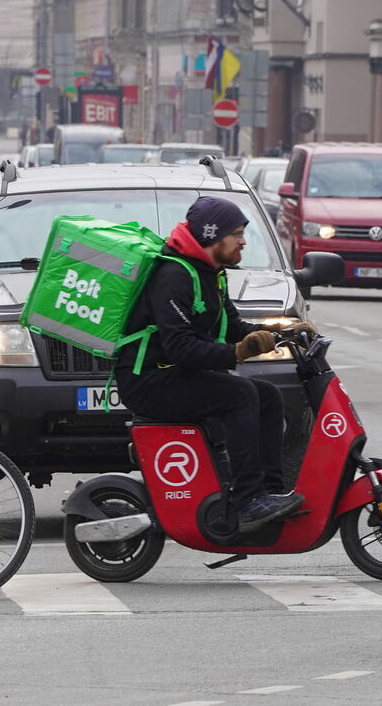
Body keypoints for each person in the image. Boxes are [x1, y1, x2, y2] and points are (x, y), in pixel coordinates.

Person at [114, 196, 312, 533]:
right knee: (241, 394)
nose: (243, 241)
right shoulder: (174, 276)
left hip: (175, 376)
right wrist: (238, 353)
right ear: (212, 236)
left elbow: (234, 327)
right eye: (237, 233)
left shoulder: (210, 274)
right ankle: (248, 501)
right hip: (148, 382)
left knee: (268, 396)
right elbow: (181, 348)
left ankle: (270, 492)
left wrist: (282, 333)